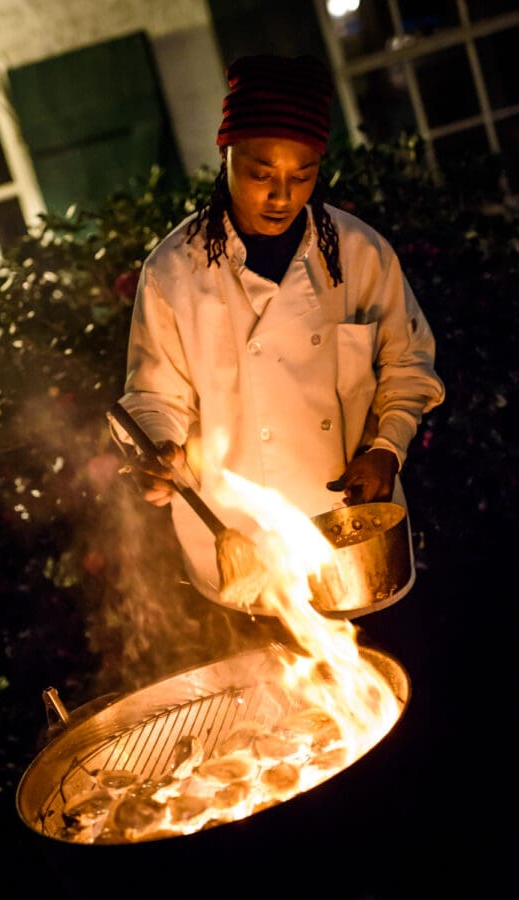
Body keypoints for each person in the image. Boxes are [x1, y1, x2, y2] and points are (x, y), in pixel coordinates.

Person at [110, 53, 445, 628]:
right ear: (227, 155)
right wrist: (158, 451)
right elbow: (153, 398)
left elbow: (408, 365)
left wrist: (387, 447)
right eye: (260, 173)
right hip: (242, 551)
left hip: (354, 540)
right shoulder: (174, 272)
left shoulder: (360, 254)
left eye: (302, 175)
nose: (281, 195)